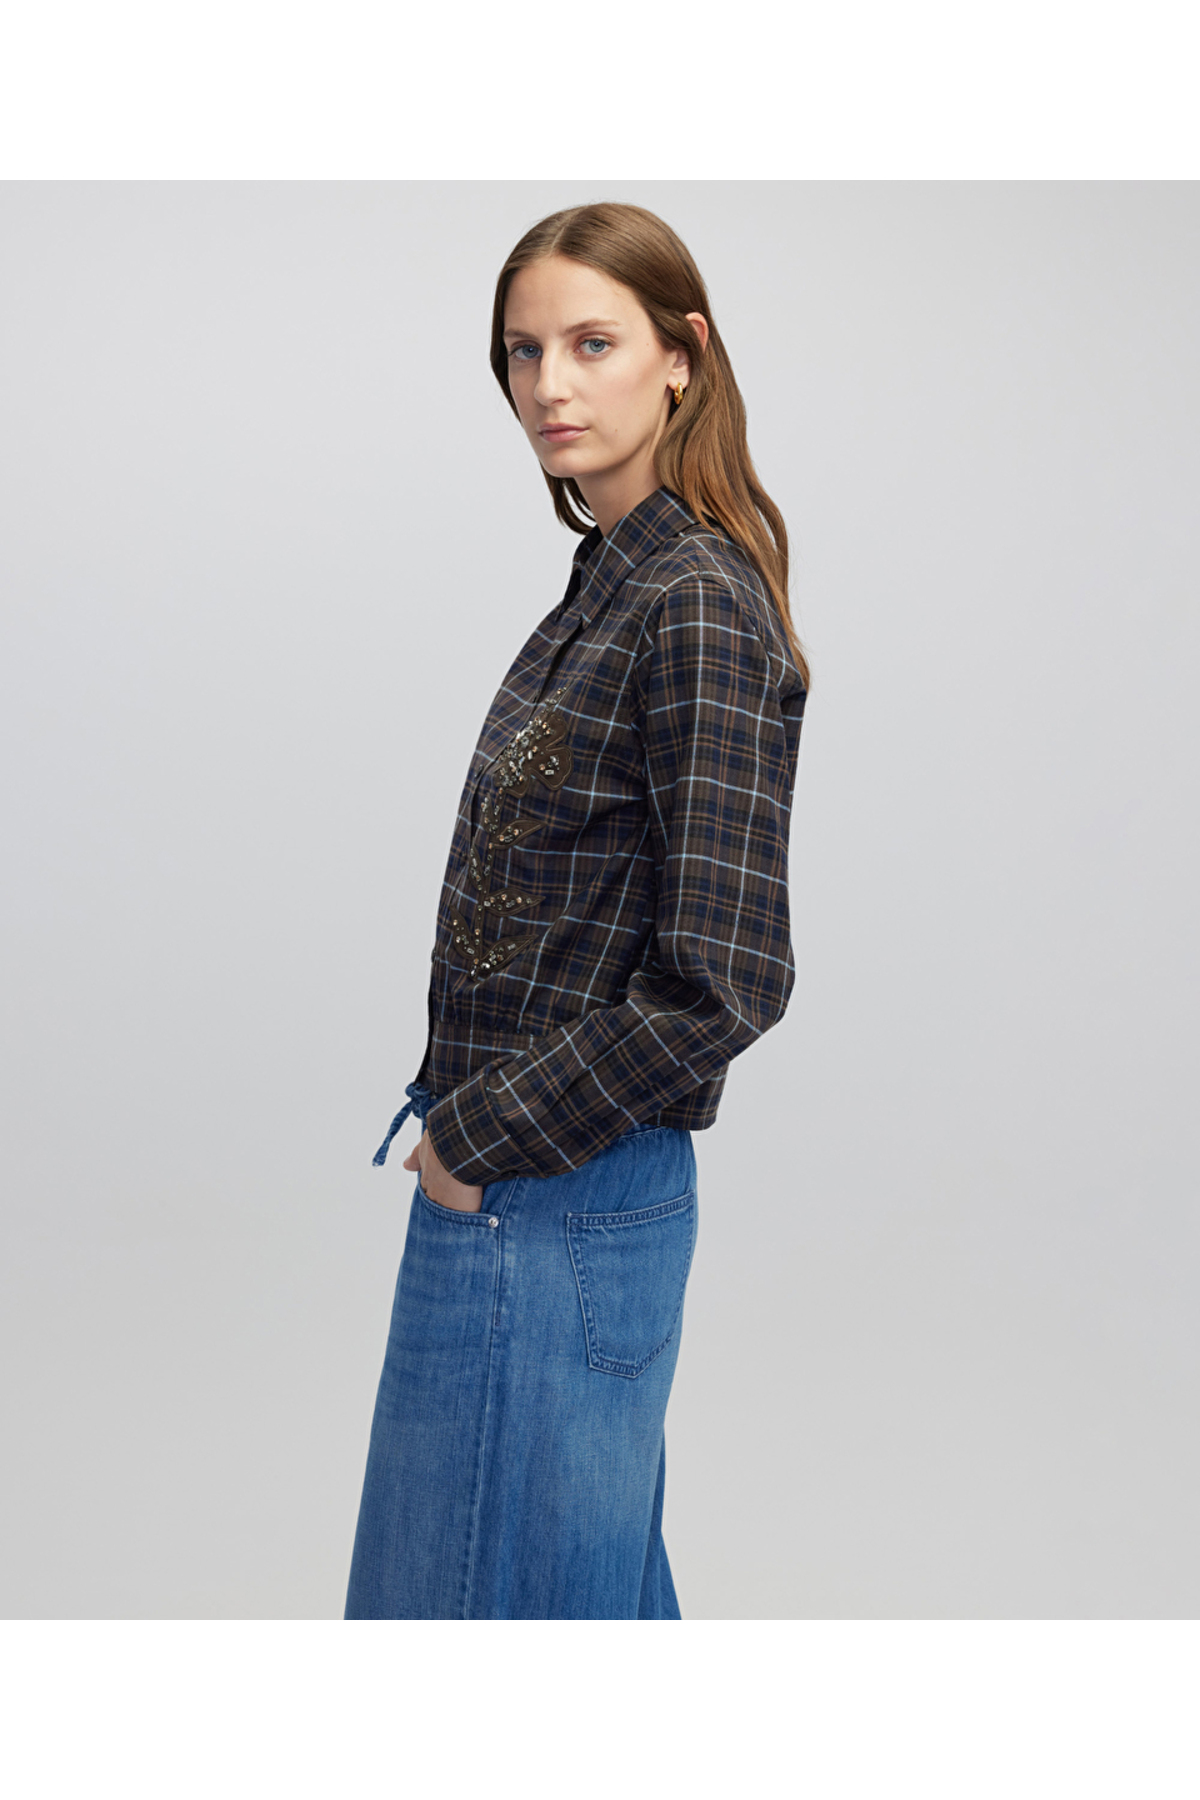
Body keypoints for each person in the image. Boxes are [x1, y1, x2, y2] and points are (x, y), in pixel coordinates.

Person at [344, 201, 809, 1620]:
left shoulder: (692, 601)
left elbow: (727, 978)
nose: (549, 384)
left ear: (684, 354)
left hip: (552, 1194)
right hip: (526, 1189)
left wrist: (476, 1139)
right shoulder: (613, 584)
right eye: (522, 351)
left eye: (592, 343)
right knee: (569, 1605)